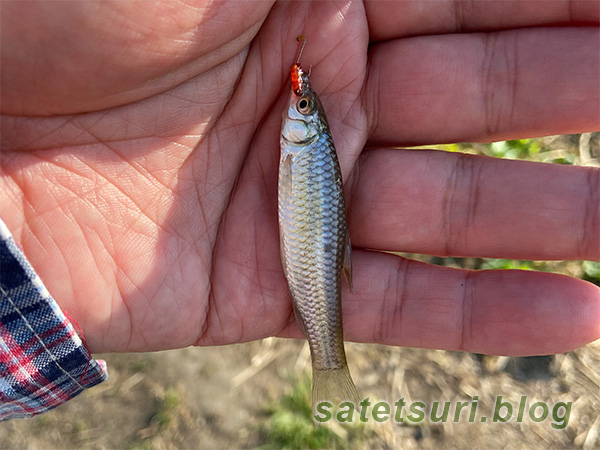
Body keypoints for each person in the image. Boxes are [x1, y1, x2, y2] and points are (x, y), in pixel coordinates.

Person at [1, 0, 598, 420]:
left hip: (307, 247)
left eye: (302, 103)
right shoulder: (300, 139)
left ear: (304, 123)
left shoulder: (304, 143)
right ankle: (328, 360)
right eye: (302, 103)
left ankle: (328, 358)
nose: (297, 104)